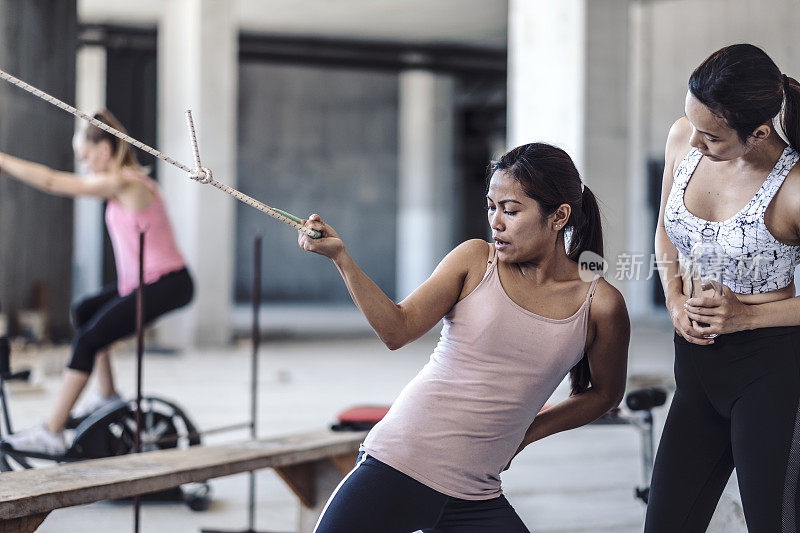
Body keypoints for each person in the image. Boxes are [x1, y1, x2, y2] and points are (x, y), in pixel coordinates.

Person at [298, 142, 629, 532]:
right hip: (398, 462)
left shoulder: (602, 304)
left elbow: (605, 393)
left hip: (477, 494)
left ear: (559, 216)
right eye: (492, 207)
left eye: (511, 210)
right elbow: (396, 329)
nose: (496, 222)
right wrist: (342, 258)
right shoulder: (475, 260)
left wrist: (525, 435)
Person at [649, 43, 800, 532]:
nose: (694, 141)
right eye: (693, 123)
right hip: (694, 367)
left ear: (758, 132)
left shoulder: (794, 186)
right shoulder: (682, 139)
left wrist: (746, 316)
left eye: (711, 135)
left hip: (770, 371)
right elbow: (664, 232)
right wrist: (673, 297)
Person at [0, 110, 193, 456]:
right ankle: (107, 395)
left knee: (88, 340)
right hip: (142, 283)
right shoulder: (123, 184)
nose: (85, 166)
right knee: (84, 311)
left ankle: (51, 432)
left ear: (104, 150)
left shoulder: (128, 183)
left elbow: (51, 181)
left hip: (167, 282)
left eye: (86, 158)